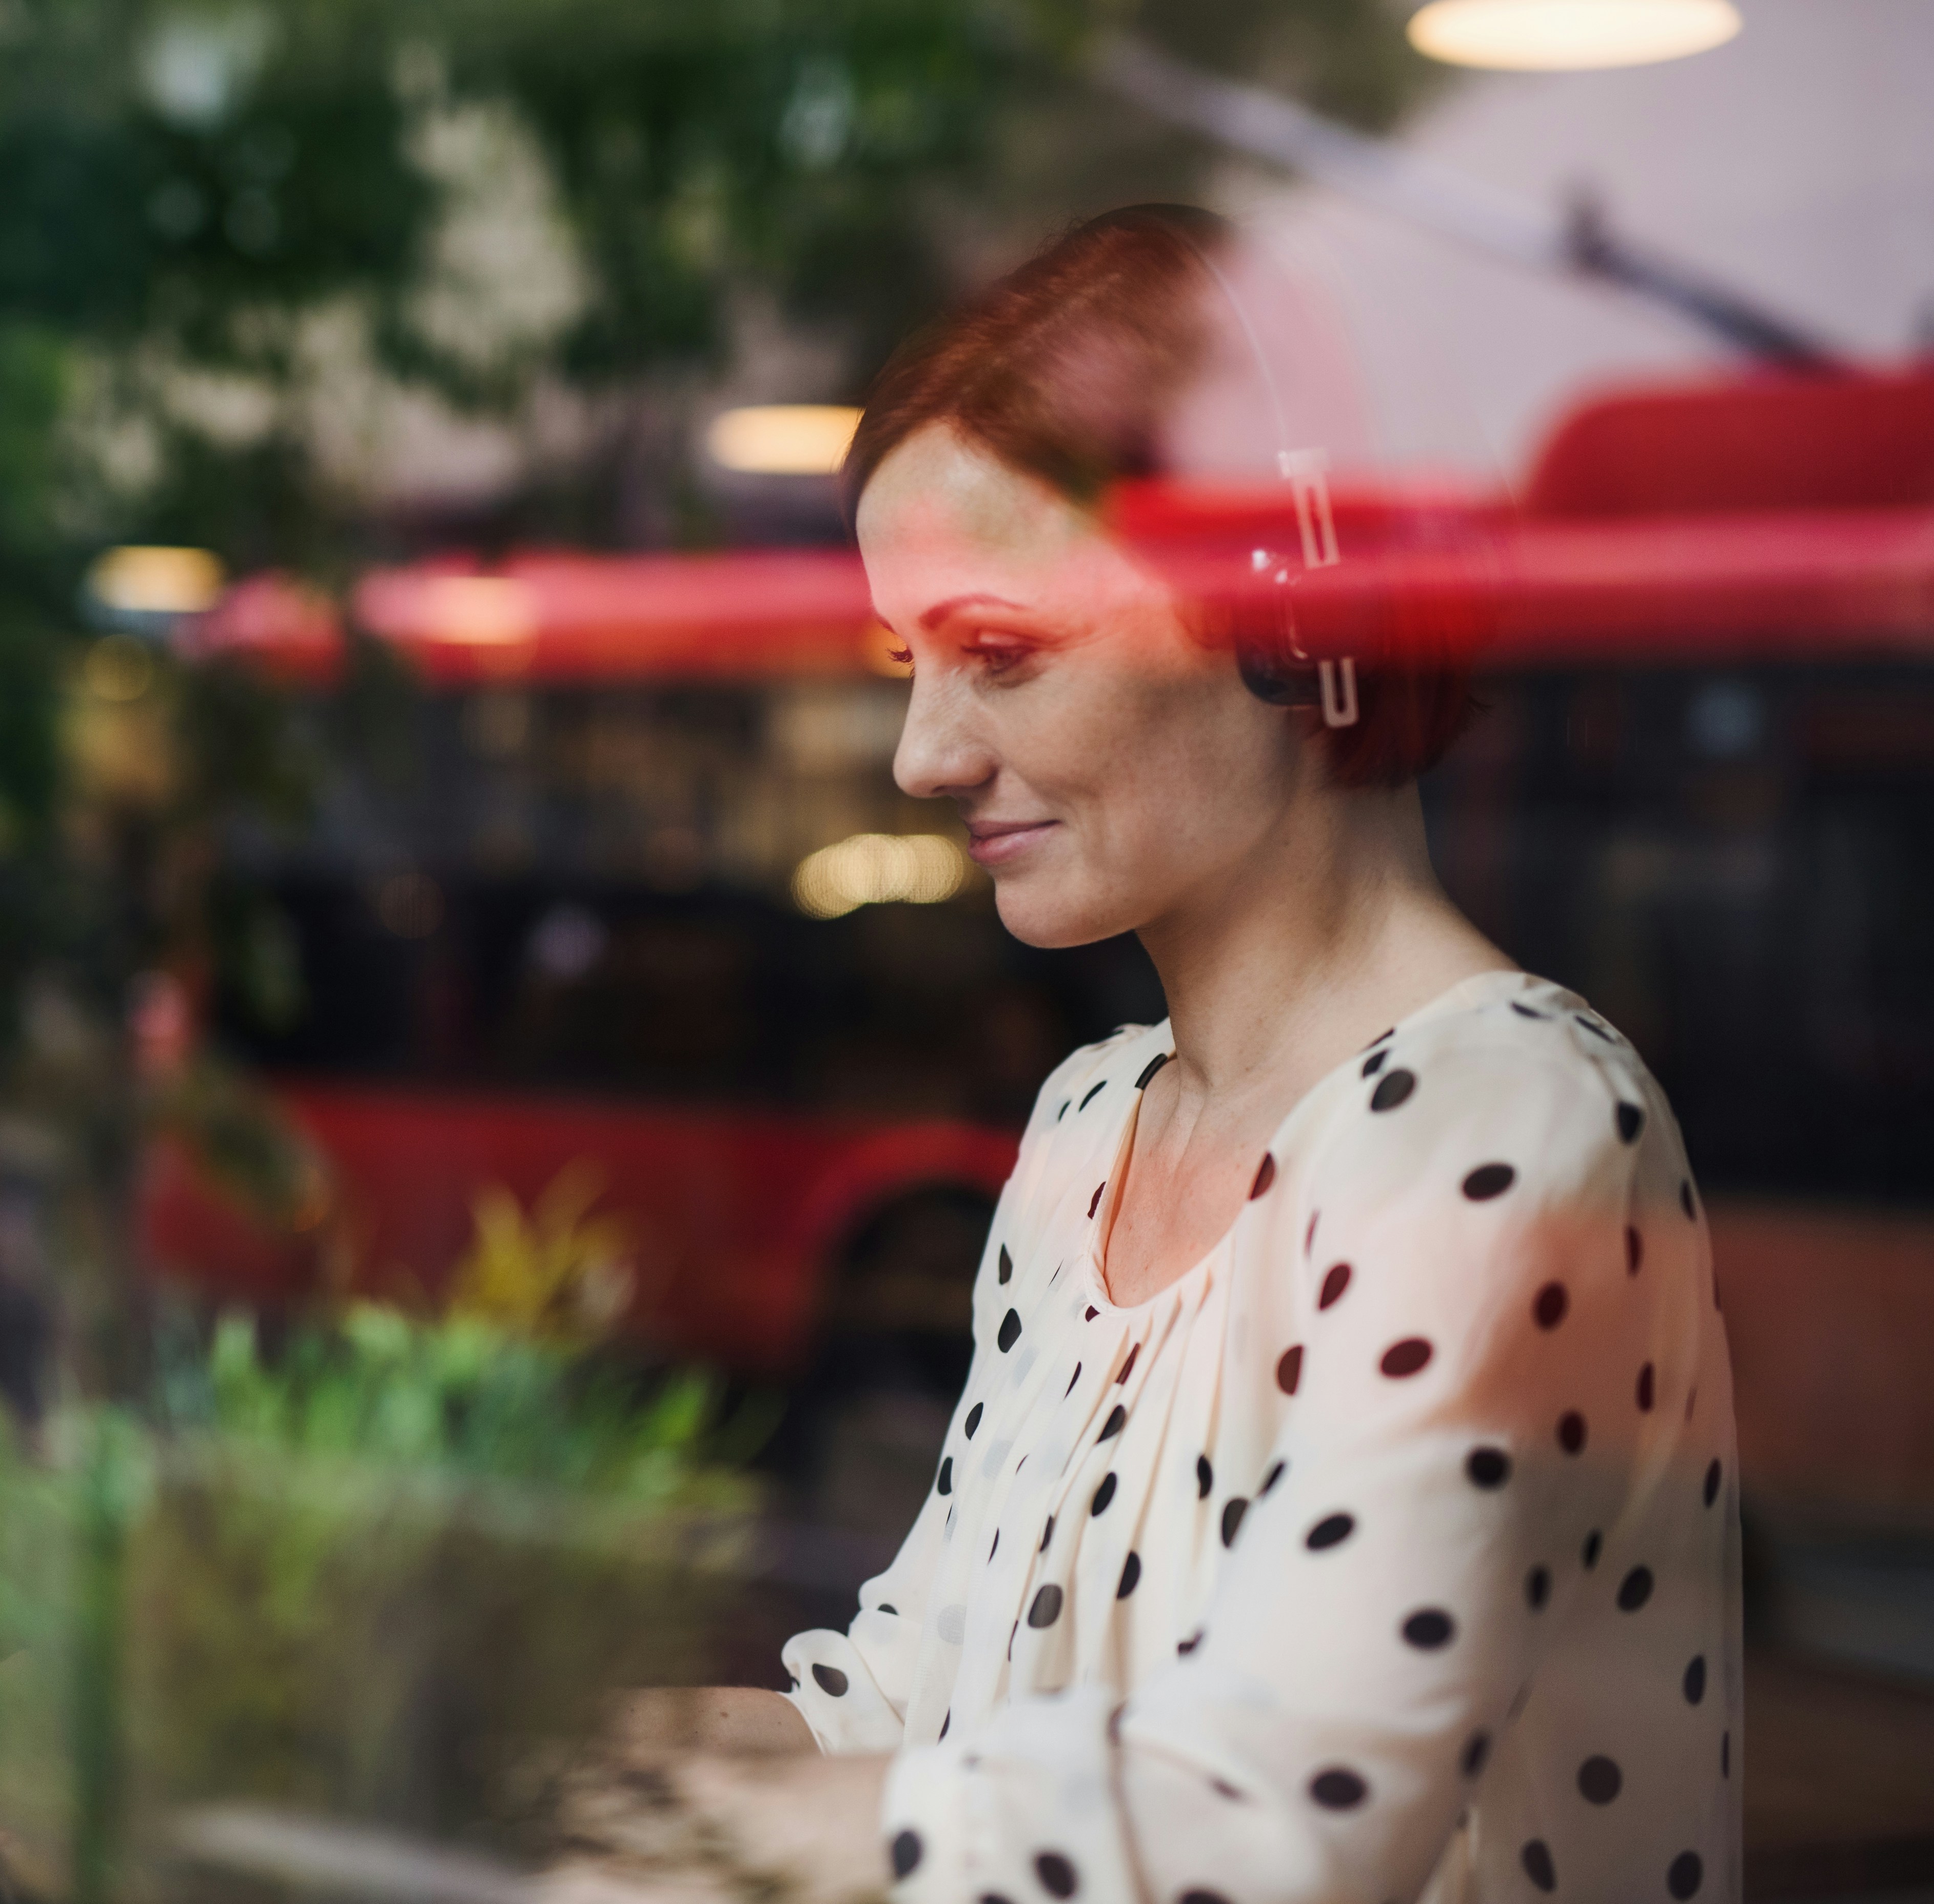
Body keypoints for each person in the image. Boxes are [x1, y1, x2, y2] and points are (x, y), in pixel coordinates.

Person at [591, 208, 1740, 1904]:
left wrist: (660, 1835)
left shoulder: (1511, 1121)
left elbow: (1272, 1823)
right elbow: (911, 1712)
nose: (919, 753)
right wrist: (536, 1760)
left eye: (999, 652)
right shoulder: (1089, 1122)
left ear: (1283, 610)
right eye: (907, 665)